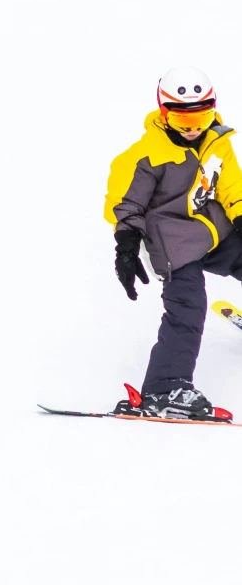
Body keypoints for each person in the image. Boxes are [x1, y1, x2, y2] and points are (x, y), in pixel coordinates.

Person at [105, 65, 242, 420]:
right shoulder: (146, 155)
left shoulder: (216, 141)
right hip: (172, 242)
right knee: (187, 309)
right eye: (182, 120)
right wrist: (126, 244)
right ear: (164, 113)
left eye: (202, 115)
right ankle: (165, 387)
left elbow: (231, 187)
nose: (193, 127)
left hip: (212, 229)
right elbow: (124, 204)